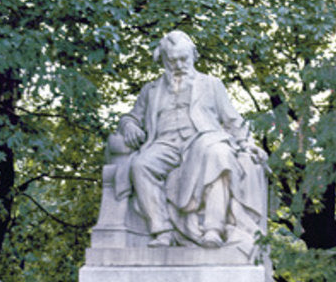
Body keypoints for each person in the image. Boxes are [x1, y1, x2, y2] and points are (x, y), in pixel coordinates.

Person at [113, 30, 268, 250]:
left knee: (219, 155)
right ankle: (162, 230)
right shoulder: (151, 90)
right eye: (172, 60)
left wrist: (248, 144)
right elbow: (131, 117)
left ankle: (213, 229)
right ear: (165, 61)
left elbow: (232, 119)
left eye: (183, 59)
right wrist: (128, 125)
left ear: (194, 55)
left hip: (202, 139)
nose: (179, 65)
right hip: (164, 144)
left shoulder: (211, 84)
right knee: (140, 165)